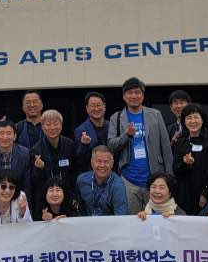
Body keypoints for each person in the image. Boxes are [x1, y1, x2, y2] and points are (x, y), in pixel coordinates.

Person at [107, 77, 174, 213]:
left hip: (155, 179)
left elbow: (165, 146)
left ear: (143, 96)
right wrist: (127, 135)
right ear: (124, 96)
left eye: (137, 92)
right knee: (135, 222)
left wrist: (169, 175)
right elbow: (111, 145)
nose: (134, 96)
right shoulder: (117, 117)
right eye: (130, 93)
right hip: (129, 180)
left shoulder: (155, 114)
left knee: (159, 221)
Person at [172, 104, 208, 215]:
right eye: (189, 118)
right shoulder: (180, 142)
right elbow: (175, 170)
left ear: (202, 120)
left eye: (196, 117)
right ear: (184, 122)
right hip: (186, 195)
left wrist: (205, 193)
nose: (193, 121)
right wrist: (186, 164)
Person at [30, 109, 77, 196]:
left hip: (67, 192)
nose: (52, 128)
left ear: (61, 126)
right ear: (42, 127)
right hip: (47, 194)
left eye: (56, 124)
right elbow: (34, 181)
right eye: (48, 124)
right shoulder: (36, 150)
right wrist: (39, 169)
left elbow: (74, 172)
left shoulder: (69, 144)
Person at [76, 146, 128, 216]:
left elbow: (121, 217)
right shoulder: (81, 180)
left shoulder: (118, 187)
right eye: (99, 161)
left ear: (112, 164)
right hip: (87, 224)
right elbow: (79, 207)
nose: (102, 165)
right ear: (92, 163)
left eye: (106, 162)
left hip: (109, 225)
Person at [73, 91, 109, 174]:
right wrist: (84, 145)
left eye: (99, 105)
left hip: (110, 175)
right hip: (90, 176)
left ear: (104, 107)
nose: (96, 109)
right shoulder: (80, 130)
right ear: (87, 109)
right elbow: (78, 160)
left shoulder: (112, 126)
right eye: (92, 106)